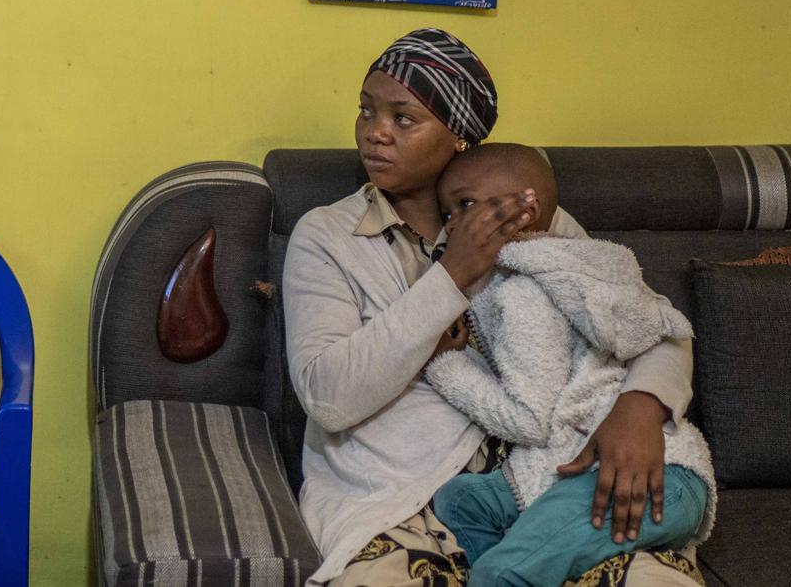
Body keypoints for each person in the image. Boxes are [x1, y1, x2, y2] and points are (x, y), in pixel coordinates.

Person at [281, 29, 697, 587]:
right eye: (366, 111)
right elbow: (328, 397)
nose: (375, 132)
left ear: (458, 138)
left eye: (403, 118)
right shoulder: (327, 235)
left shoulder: (523, 214)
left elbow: (651, 322)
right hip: (401, 499)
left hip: (554, 478)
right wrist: (453, 273)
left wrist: (641, 406)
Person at [423, 143, 716, 587]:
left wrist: (445, 363)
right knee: (461, 501)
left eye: (466, 205)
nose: (453, 226)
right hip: (569, 465)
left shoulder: (522, 292)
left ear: (527, 208)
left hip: (639, 477)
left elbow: (528, 419)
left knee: (498, 573)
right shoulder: (584, 263)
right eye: (447, 214)